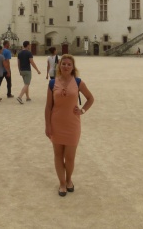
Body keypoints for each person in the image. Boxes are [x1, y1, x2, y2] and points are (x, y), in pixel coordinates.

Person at [44, 54, 94, 196]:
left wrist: (82, 110)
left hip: (72, 125)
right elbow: (48, 106)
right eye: (63, 64)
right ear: (59, 66)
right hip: (56, 124)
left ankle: (69, 179)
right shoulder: (53, 83)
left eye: (69, 64)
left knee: (70, 157)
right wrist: (47, 125)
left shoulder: (78, 82)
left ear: (73, 67)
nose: (66, 66)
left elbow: (90, 98)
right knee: (58, 155)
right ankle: (62, 183)